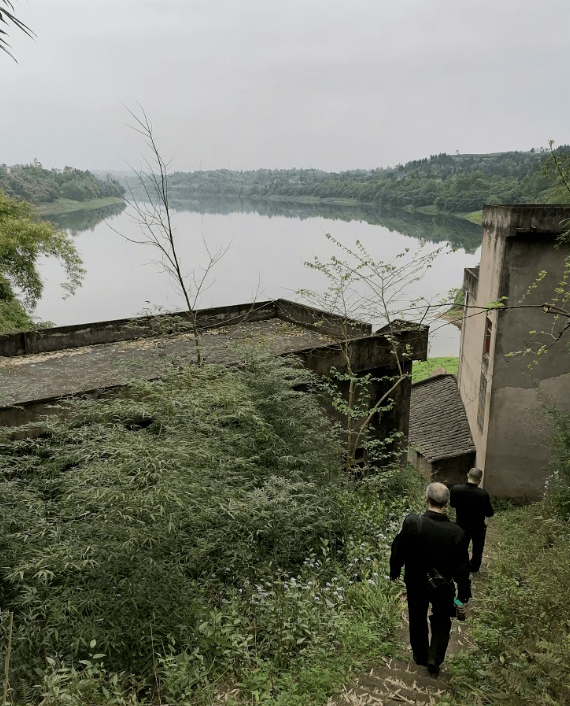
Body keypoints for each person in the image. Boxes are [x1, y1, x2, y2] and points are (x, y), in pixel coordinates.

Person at [390, 482, 471, 677]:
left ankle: (420, 655)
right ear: (448, 503)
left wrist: (395, 571)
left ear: (426, 499)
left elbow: (398, 549)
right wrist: (464, 595)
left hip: (416, 580)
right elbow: (462, 568)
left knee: (417, 616)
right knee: (442, 618)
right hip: (443, 585)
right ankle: (435, 657)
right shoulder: (457, 532)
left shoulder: (411, 522)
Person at [450, 467, 494, 573]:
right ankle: (474, 567)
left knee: (461, 546)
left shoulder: (456, 489)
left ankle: (459, 565)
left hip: (461, 525)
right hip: (477, 526)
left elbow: (452, 504)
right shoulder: (483, 494)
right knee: (477, 548)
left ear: (467, 476)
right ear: (480, 480)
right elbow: (489, 513)